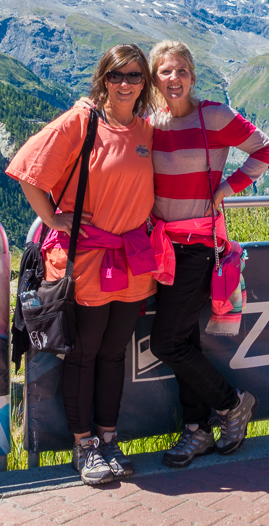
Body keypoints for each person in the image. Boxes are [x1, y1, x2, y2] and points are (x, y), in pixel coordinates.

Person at [6, 44, 157, 485]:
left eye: (134, 76)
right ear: (102, 79)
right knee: (85, 354)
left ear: (144, 82)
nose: (125, 84)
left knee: (113, 354)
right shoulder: (82, 121)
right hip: (87, 261)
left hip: (132, 262)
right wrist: (52, 217)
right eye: (116, 76)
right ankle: (83, 445)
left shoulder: (147, 131)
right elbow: (26, 170)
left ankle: (108, 439)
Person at [147, 39, 269, 468]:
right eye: (165, 71)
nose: (174, 78)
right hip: (161, 247)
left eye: (182, 69)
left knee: (166, 342)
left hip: (199, 247)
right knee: (182, 340)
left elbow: (266, 149)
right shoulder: (153, 123)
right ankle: (196, 430)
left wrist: (228, 187)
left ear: (193, 75)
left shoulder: (214, 116)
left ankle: (232, 404)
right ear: (154, 78)